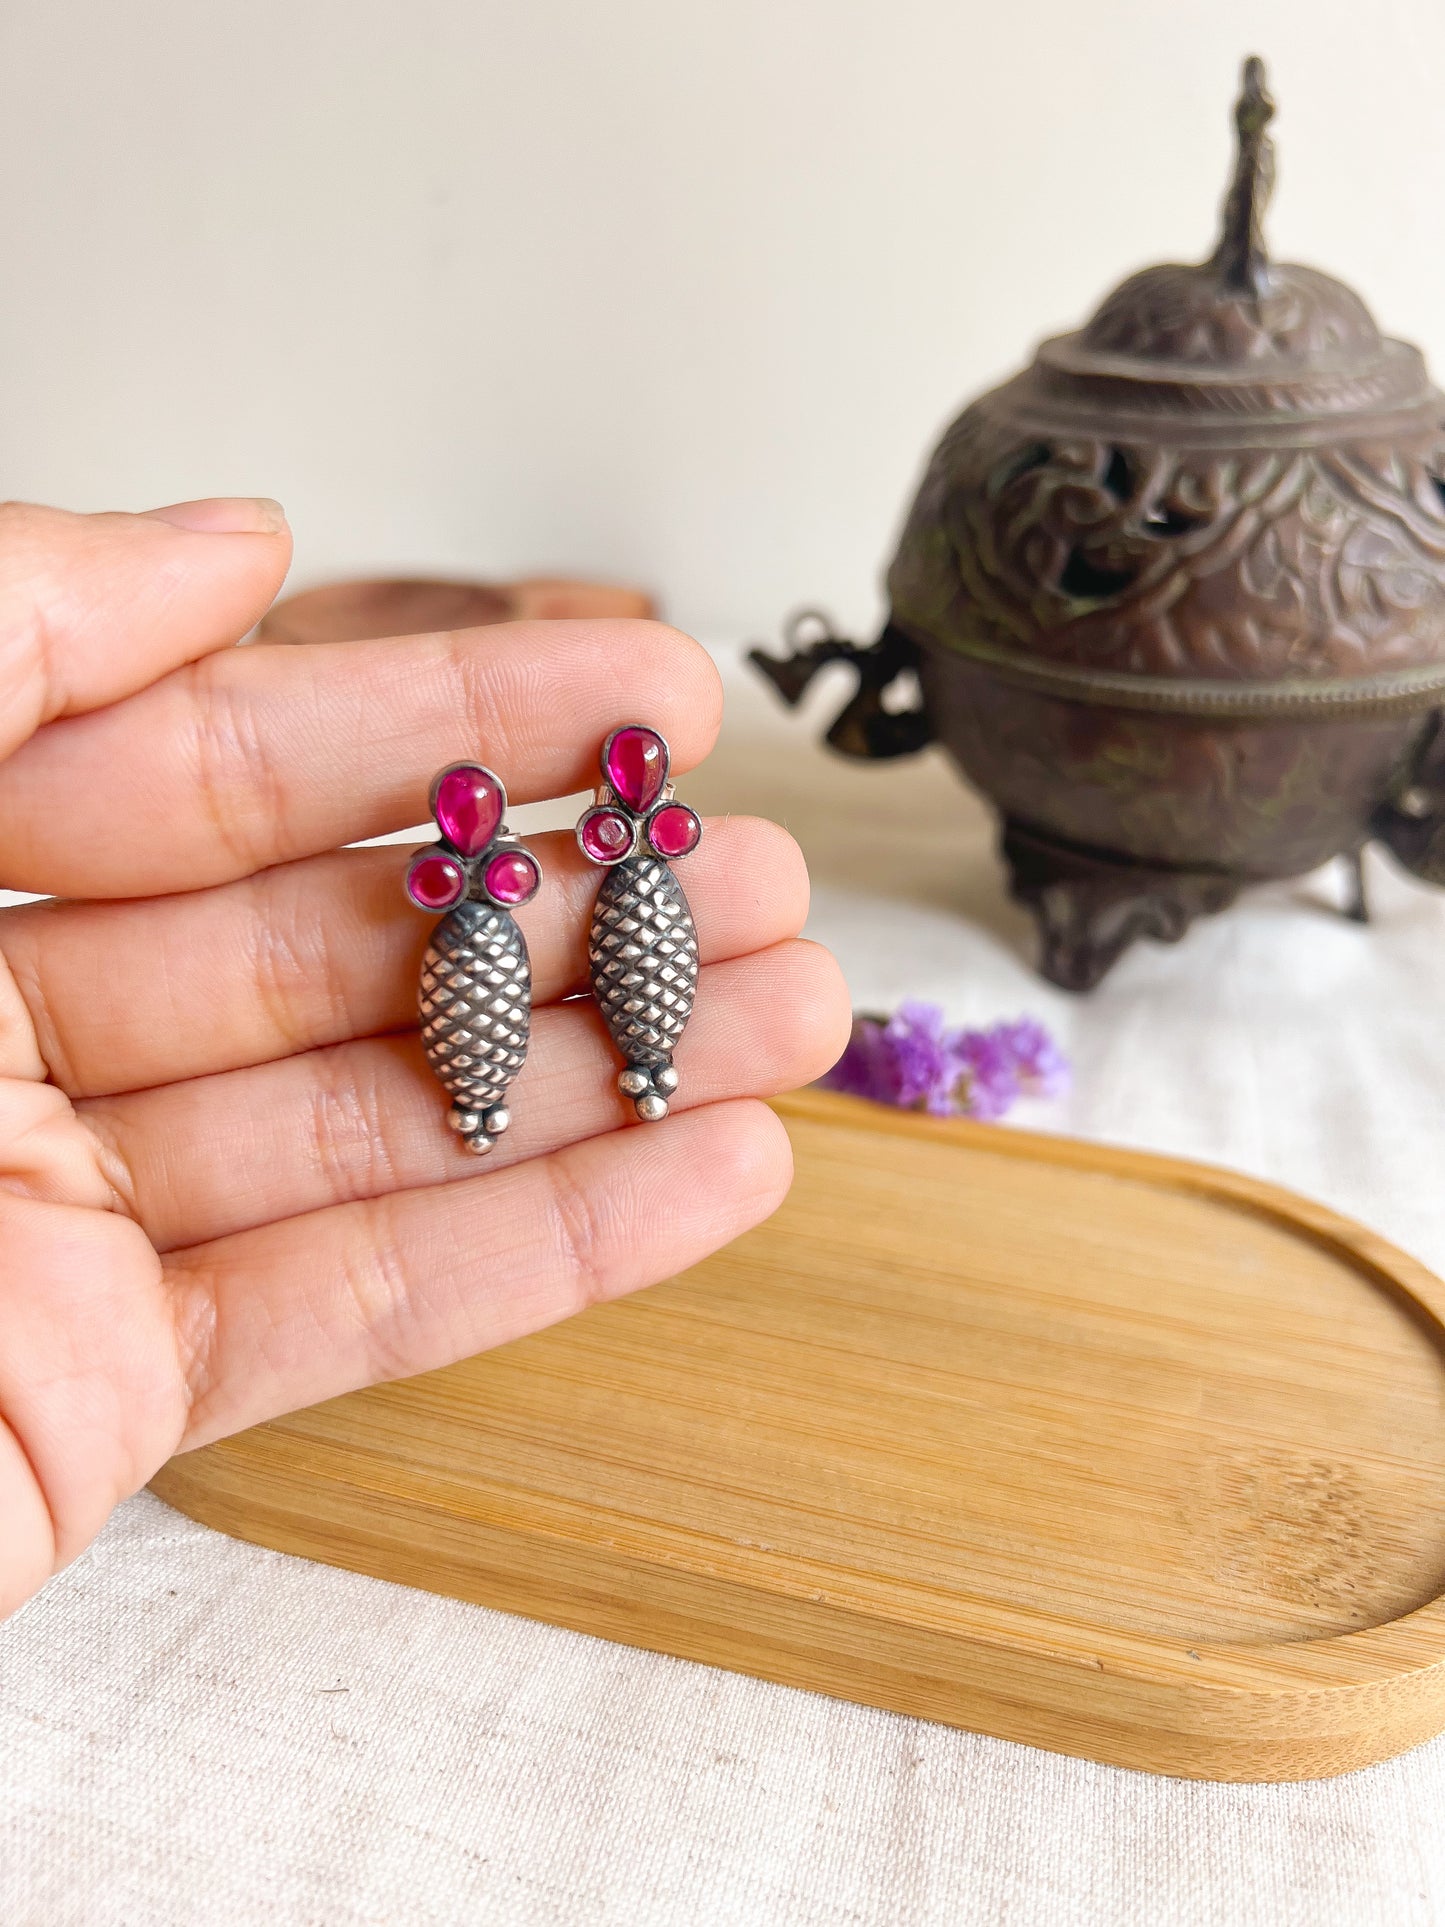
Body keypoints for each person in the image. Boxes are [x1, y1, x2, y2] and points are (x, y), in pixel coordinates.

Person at [0, 497, 850, 1619]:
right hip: (490, 924)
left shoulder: (584, 873)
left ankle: (594, 1073)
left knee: (632, 992)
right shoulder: (493, 896)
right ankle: (556, 1083)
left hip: (533, 910)